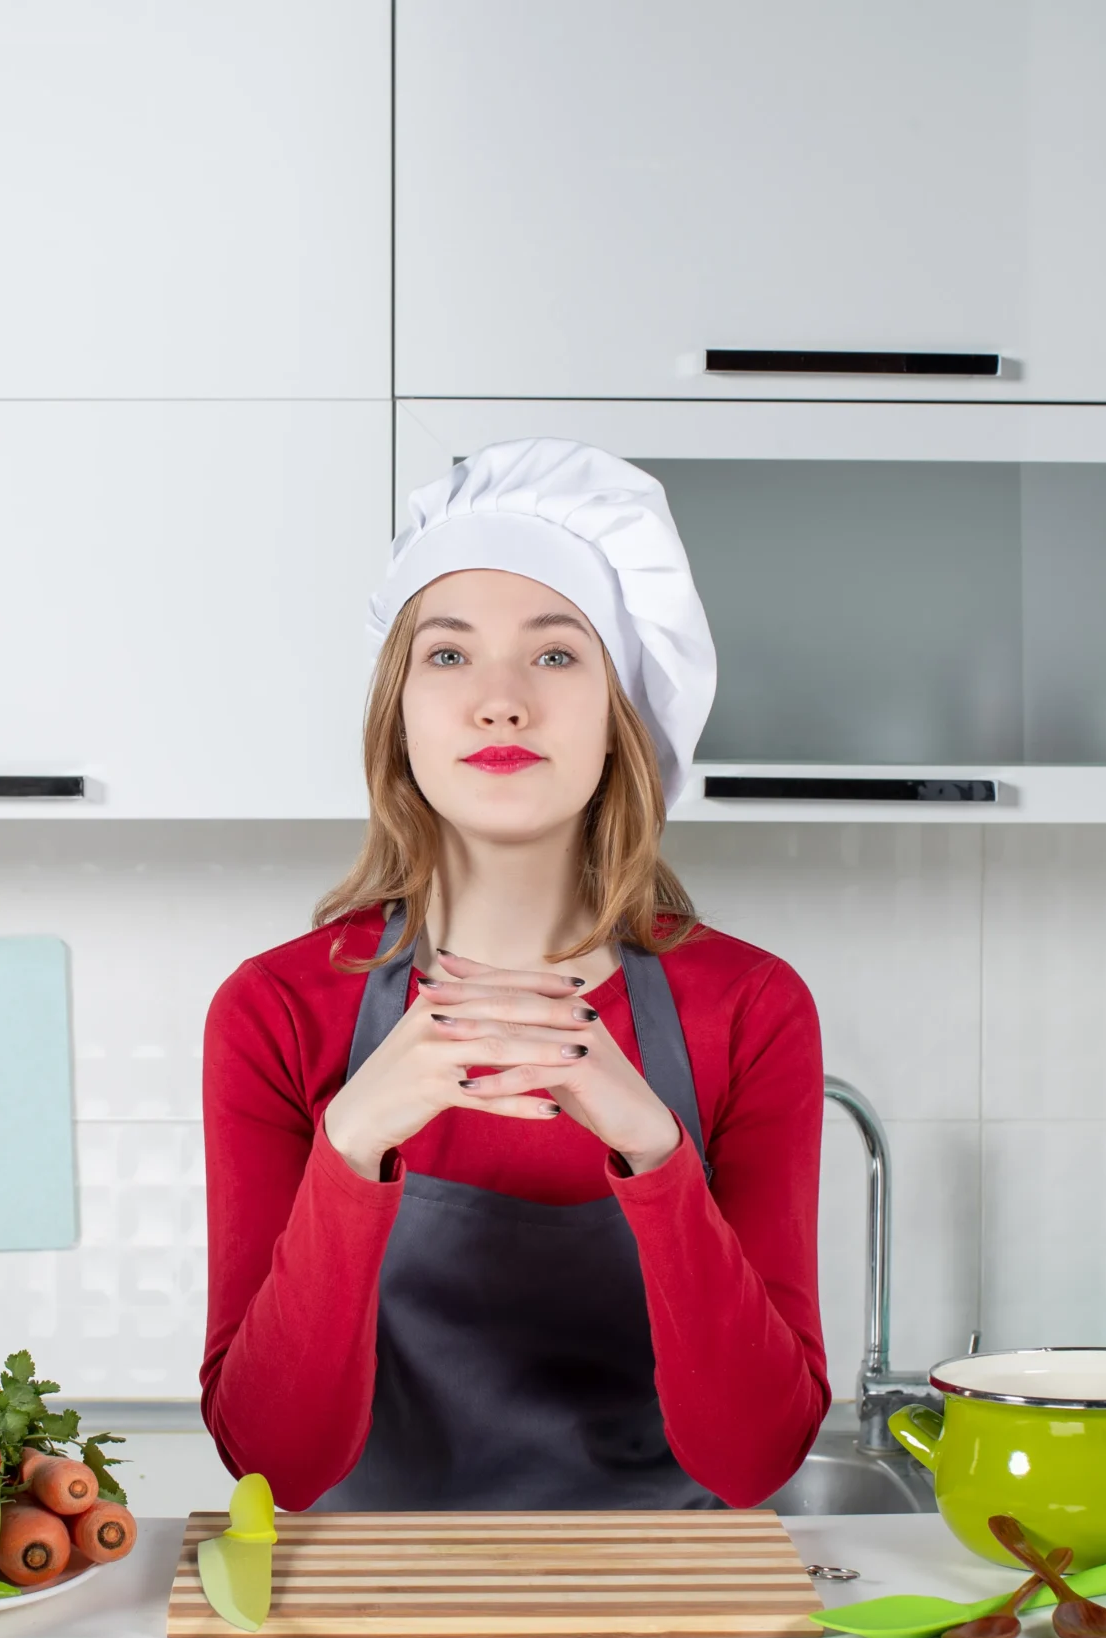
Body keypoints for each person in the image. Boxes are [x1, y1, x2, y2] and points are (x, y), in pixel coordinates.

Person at [198, 439, 827, 1510]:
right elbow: (275, 1467)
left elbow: (756, 1458)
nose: (499, 703)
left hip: (664, 1629)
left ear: (622, 712)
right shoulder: (276, 1011)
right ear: (398, 712)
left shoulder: (752, 1009)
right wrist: (351, 1143)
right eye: (447, 657)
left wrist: (653, 1147)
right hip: (370, 1626)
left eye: (554, 655)